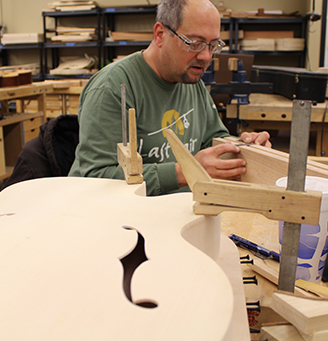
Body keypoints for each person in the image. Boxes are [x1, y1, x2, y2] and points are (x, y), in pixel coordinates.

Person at [68, 0, 271, 195]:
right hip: (117, 219)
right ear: (160, 34)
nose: (206, 56)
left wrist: (243, 146)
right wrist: (185, 172)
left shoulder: (192, 81)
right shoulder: (113, 87)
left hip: (178, 210)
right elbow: (95, 178)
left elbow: (212, 138)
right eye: (195, 43)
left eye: (213, 45)